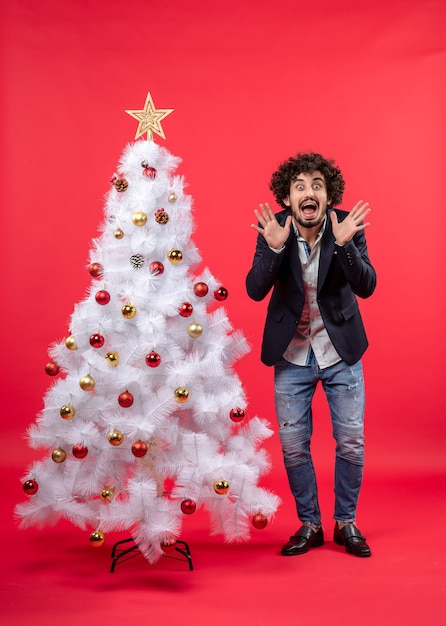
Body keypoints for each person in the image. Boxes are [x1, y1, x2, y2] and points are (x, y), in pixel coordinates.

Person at [246, 152, 376, 558]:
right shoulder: (275, 230)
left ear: (328, 194)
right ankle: (310, 524)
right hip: (292, 355)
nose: (309, 192)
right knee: (294, 444)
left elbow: (367, 285)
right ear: (287, 198)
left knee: (351, 441)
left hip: (341, 353)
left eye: (316, 185)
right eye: (299, 186)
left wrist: (344, 246)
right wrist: (271, 251)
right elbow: (254, 289)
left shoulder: (345, 228)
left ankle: (345, 522)